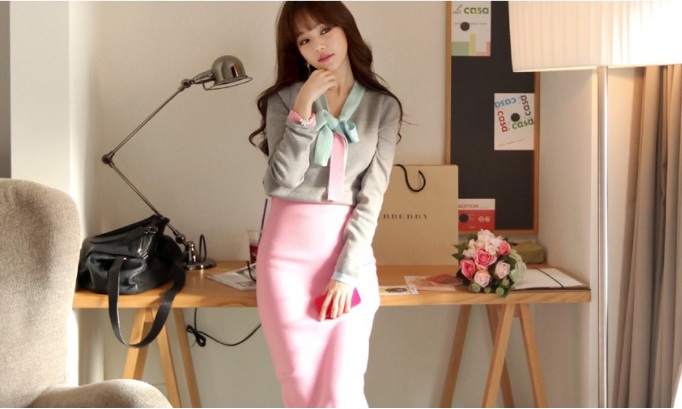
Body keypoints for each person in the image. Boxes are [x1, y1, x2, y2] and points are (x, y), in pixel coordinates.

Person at [248, 2, 403, 407]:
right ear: (296, 50)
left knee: (341, 392)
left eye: (324, 30)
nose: (318, 45)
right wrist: (303, 109)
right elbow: (280, 182)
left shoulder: (383, 107)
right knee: (301, 393)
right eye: (304, 39)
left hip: (348, 261)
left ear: (345, 29)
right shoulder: (284, 100)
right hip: (285, 265)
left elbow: (372, 197)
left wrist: (346, 273)